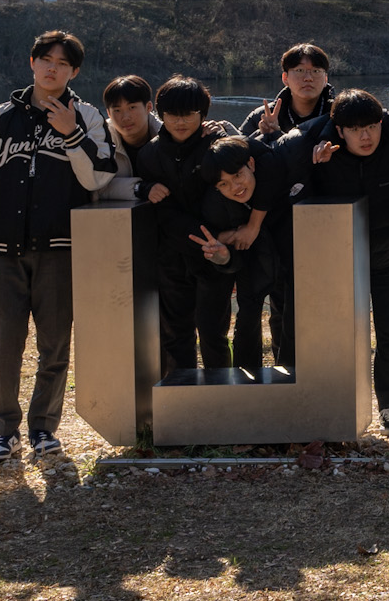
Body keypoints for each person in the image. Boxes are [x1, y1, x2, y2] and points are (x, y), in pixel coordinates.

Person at [0, 30, 116, 465]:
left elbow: (99, 176)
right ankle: (3, 432)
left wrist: (71, 134)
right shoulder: (0, 118)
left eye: (63, 63)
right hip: (4, 251)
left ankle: (43, 429)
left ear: (74, 72)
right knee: (4, 345)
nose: (53, 68)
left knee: (55, 346)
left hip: (61, 250)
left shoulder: (87, 115)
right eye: (46, 60)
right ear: (32, 62)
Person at [307, 89, 389, 433]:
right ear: (339, 131)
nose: (366, 137)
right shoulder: (322, 153)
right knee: (339, 333)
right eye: (355, 130)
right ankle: (338, 404)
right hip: (341, 260)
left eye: (371, 127)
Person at [137, 76, 243, 374]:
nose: (180, 122)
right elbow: (162, 213)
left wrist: (220, 241)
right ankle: (181, 395)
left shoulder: (216, 147)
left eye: (188, 114)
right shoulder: (149, 154)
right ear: (160, 114)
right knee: (176, 334)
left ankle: (219, 394)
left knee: (213, 334)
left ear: (203, 114)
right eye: (172, 114)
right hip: (172, 256)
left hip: (214, 254)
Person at [190, 136, 280, 375]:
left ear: (251, 164)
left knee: (280, 315)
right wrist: (224, 251)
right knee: (242, 314)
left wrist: (253, 226)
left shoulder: (272, 173)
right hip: (244, 255)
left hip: (280, 247)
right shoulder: (214, 207)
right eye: (224, 184)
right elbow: (229, 252)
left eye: (238, 176)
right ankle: (237, 382)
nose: (235, 187)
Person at [244, 43, 332, 139]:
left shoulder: (337, 117)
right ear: (285, 78)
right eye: (300, 70)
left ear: (325, 79)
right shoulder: (262, 117)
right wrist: (264, 137)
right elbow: (238, 145)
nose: (308, 78)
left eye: (316, 71)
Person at [95, 75, 156, 202]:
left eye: (132, 107)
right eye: (117, 110)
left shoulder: (167, 136)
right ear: (109, 113)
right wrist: (139, 188)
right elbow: (97, 187)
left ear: (148, 107)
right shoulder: (100, 140)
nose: (125, 117)